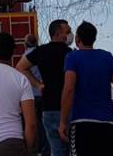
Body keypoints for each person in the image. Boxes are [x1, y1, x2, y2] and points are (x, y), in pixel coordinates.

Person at [58, 21, 113, 155]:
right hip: (106, 124)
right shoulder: (107, 57)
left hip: (81, 123)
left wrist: (63, 121)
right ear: (94, 38)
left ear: (78, 38)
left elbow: (69, 89)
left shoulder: (72, 58)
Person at [16, 20, 72, 156]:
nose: (70, 35)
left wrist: (38, 84)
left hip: (49, 108)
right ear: (58, 33)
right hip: (69, 108)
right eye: (68, 31)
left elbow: (20, 67)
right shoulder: (71, 54)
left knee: (56, 149)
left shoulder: (41, 51)